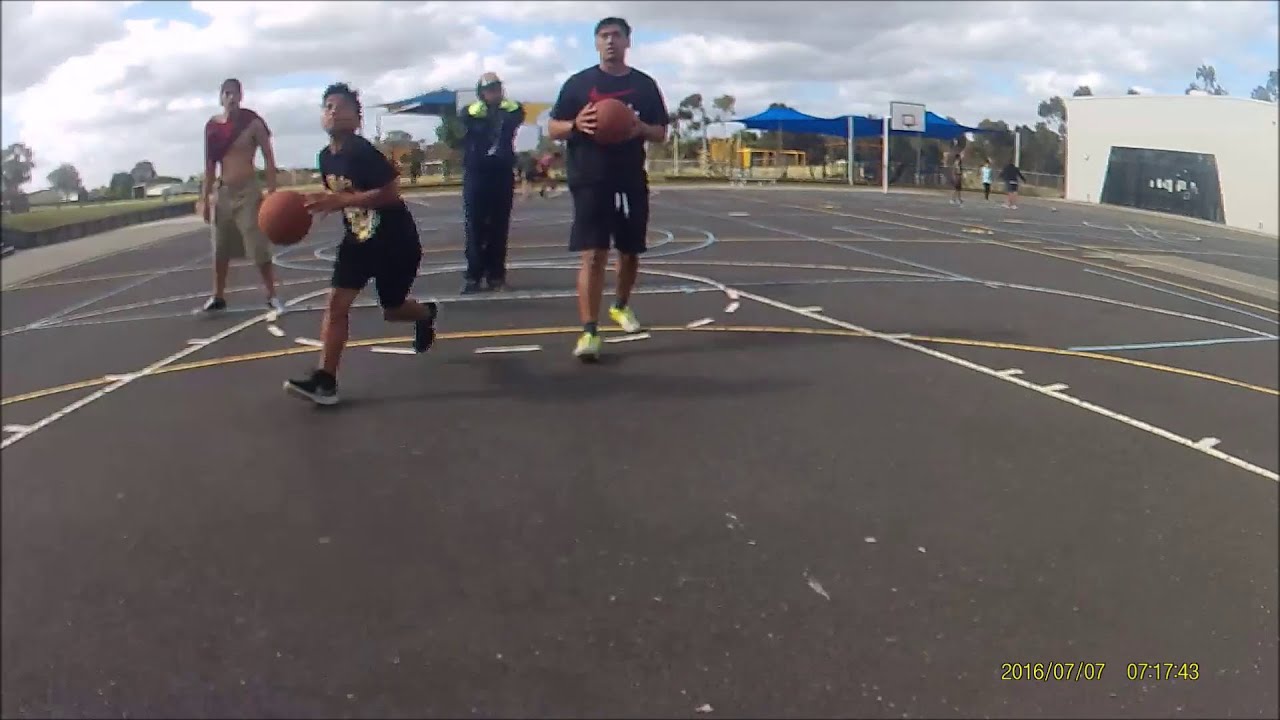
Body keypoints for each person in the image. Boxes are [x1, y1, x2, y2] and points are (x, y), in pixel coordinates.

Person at [283, 83, 439, 406]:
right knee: (336, 304)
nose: (333, 111)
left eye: (341, 107)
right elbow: (342, 198)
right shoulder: (325, 158)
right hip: (358, 240)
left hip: (394, 240)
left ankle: (425, 314)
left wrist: (341, 200)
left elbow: (391, 192)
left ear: (357, 118)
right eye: (328, 106)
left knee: (393, 310)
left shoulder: (362, 152)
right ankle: (325, 381)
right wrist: (320, 205)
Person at [548, 16, 669, 361]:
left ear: (628, 41)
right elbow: (553, 128)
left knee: (629, 251)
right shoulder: (578, 84)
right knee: (593, 253)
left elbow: (661, 132)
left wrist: (639, 127)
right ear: (596, 42)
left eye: (616, 35)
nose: (610, 41)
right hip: (590, 177)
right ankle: (589, 331)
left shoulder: (644, 85)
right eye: (604, 36)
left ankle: (620, 305)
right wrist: (575, 124)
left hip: (629, 175)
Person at [199, 78, 285, 315]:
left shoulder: (252, 122)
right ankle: (218, 296)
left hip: (248, 191)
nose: (231, 98)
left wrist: (271, 192)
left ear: (241, 96)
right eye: (226, 93)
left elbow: (269, 158)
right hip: (223, 192)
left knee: (257, 245)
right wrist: (205, 199)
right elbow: (209, 166)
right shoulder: (213, 127)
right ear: (220, 98)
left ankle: (272, 294)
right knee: (220, 247)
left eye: (235, 93)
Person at [459, 72, 525, 294]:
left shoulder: (512, 109)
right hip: (477, 173)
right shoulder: (470, 112)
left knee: (499, 226)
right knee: (475, 225)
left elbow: (514, 117)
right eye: (489, 89)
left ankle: (496, 276)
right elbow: (467, 121)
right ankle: (473, 276)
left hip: (501, 173)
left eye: (497, 88)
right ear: (481, 92)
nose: (494, 93)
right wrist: (486, 114)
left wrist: (496, 113)